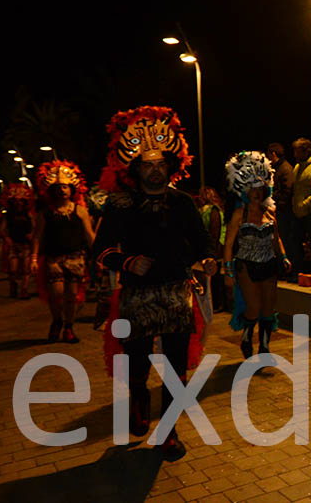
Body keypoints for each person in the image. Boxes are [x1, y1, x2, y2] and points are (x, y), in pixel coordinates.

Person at [94, 105, 217, 462]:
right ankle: (137, 396)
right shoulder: (120, 205)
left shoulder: (183, 203)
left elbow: (201, 241)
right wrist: (128, 262)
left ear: (170, 166)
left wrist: (208, 259)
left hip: (177, 292)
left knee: (176, 368)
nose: (155, 170)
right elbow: (100, 251)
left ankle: (169, 433)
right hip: (136, 294)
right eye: (147, 164)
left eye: (161, 164)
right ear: (135, 168)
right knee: (137, 363)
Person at [222, 151, 292, 358]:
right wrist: (227, 271)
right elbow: (228, 245)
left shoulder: (270, 213)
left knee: (268, 309)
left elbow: (276, 238)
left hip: (269, 264)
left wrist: (284, 257)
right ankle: (246, 337)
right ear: (244, 190)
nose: (256, 192)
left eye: (259, 188)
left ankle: (264, 346)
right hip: (246, 266)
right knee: (253, 308)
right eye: (252, 188)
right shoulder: (239, 214)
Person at [31, 161, 96, 343]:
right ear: (52, 189)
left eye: (65, 187)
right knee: (56, 294)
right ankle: (57, 321)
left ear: (72, 189)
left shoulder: (80, 211)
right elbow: (37, 237)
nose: (62, 190)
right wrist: (34, 258)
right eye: (59, 187)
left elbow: (90, 235)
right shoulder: (45, 213)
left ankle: (69, 327)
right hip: (53, 259)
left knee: (72, 296)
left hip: (76, 259)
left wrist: (101, 255)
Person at [290, 138, 311, 277]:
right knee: (299, 243)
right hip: (298, 213)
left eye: (297, 152)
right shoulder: (297, 168)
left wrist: (305, 205)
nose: (295, 155)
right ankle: (303, 270)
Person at [0, 183, 35, 299]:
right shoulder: (8, 215)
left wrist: (31, 235)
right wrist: (6, 238)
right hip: (13, 245)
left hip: (26, 245)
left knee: (26, 269)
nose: (18, 202)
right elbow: (2, 229)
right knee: (13, 270)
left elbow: (35, 228)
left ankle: (24, 290)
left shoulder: (29, 214)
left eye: (21, 200)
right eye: (16, 200)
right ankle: (13, 286)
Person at [199, 186, 228, 312]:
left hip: (217, 246)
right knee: (214, 278)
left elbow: (215, 231)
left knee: (216, 278)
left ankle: (219, 304)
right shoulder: (210, 210)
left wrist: (212, 249)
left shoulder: (212, 210)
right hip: (214, 246)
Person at [267, 143, 294, 279]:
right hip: (280, 210)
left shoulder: (284, 169)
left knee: (285, 239)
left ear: (273, 154)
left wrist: (278, 204)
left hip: (284, 212)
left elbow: (287, 190)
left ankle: (287, 269)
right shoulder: (279, 169)